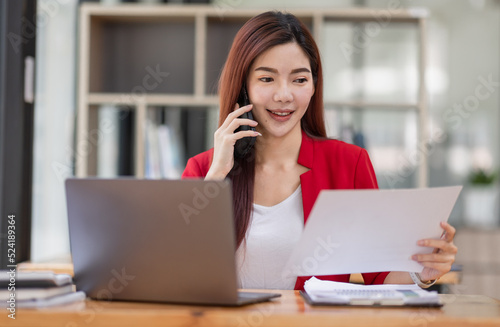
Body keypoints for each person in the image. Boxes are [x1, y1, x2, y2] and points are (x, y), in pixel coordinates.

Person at [182, 11, 457, 291]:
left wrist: (423, 271)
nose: (284, 95)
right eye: (267, 79)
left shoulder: (349, 164)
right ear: (244, 87)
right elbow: (178, 267)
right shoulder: (204, 170)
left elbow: (381, 276)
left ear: (314, 86)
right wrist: (217, 176)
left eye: (299, 80)